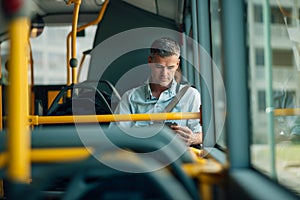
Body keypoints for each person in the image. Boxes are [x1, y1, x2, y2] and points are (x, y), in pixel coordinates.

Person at [111, 37, 202, 146]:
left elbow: (203, 134)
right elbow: (116, 137)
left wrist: (193, 138)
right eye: (159, 67)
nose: (164, 74)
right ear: (150, 61)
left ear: (177, 64)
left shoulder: (190, 95)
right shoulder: (130, 98)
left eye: (170, 67)